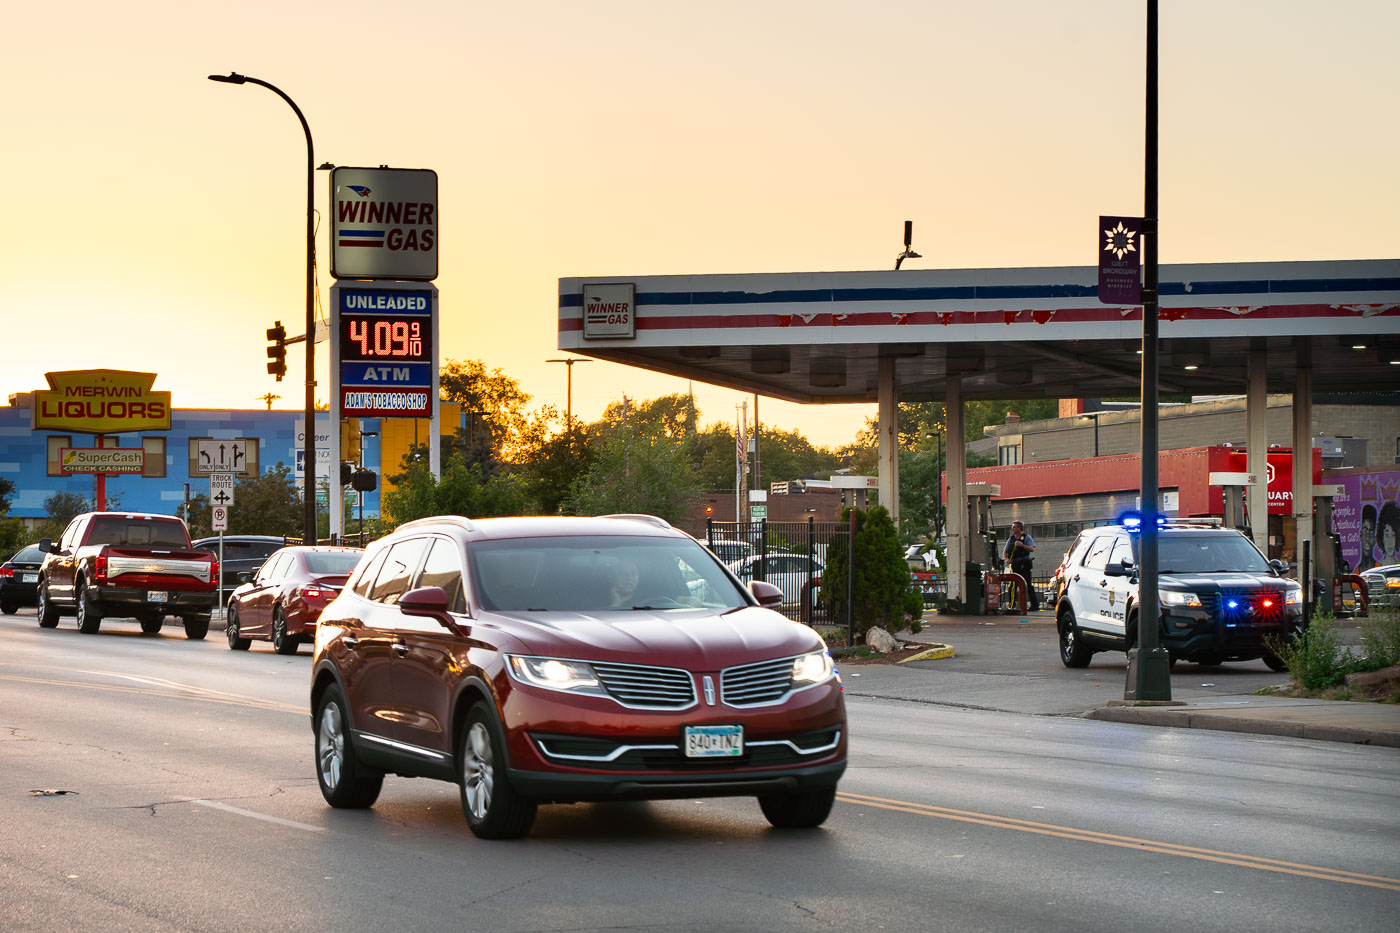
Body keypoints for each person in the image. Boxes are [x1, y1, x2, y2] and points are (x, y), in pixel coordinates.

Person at [1003, 520, 1039, 611]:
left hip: (1024, 564)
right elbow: (1005, 551)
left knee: (1028, 585)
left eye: (1014, 527)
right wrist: (1006, 559)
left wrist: (1022, 545)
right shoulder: (1011, 539)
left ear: (1019, 528)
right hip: (1014, 564)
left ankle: (1034, 605)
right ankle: (1011, 605)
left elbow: (1032, 549)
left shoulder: (1027, 537)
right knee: (1012, 585)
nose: (1013, 529)